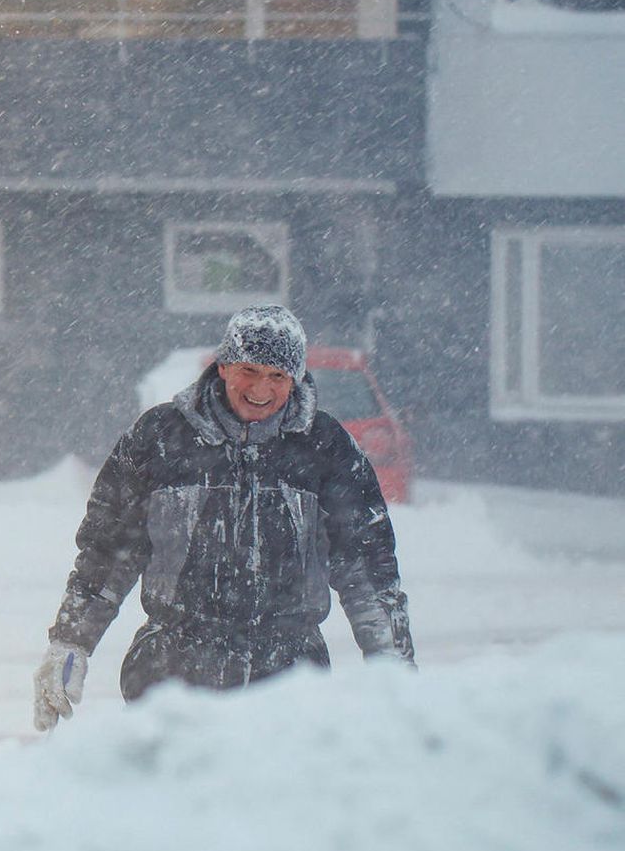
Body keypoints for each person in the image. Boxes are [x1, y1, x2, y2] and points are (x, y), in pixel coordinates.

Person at [33, 304, 414, 730]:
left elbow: (367, 566)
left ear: (295, 379)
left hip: (289, 680)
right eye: (249, 370)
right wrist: (71, 643)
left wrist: (394, 673)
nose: (261, 389)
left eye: (277, 376)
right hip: (173, 678)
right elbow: (107, 553)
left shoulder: (325, 449)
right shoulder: (160, 439)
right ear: (224, 367)